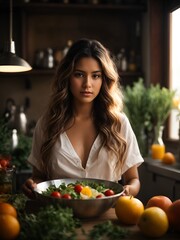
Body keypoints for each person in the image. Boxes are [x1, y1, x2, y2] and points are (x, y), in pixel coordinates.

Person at [22, 38, 144, 199]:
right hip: (59, 216)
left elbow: (133, 179)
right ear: (67, 77)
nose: (87, 84)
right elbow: (39, 176)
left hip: (107, 217)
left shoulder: (119, 124)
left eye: (96, 76)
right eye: (79, 74)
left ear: (104, 79)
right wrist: (32, 184)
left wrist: (128, 190)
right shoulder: (47, 124)